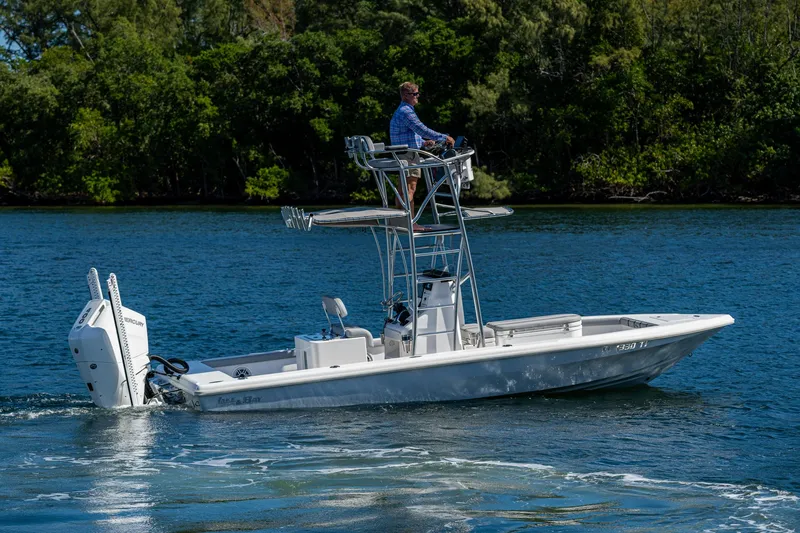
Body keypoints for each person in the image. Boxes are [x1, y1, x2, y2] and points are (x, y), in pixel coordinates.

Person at [389, 82, 454, 225]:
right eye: (415, 94)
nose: (418, 96)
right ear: (406, 95)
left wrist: (424, 143)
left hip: (403, 153)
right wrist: (444, 137)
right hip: (408, 155)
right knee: (409, 190)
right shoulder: (406, 111)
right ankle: (410, 223)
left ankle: (400, 222)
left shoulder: (402, 110)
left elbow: (409, 134)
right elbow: (421, 129)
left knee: (402, 190)